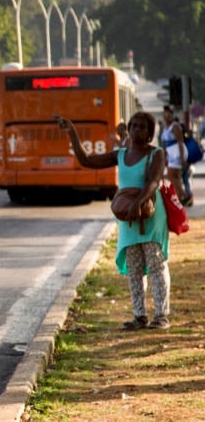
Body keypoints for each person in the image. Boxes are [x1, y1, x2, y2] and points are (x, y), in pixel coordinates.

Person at [58, 112, 171, 330]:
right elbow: (86, 160)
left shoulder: (156, 154)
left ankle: (161, 316)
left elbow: (154, 181)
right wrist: (72, 132)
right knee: (134, 268)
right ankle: (139, 316)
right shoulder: (121, 154)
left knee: (156, 265)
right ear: (128, 129)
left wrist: (137, 202)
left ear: (150, 133)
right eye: (134, 126)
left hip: (151, 217)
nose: (137, 130)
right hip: (128, 219)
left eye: (142, 127)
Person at [160, 106, 189, 205]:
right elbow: (164, 145)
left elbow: (180, 142)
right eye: (165, 115)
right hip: (170, 154)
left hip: (177, 152)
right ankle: (180, 197)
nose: (166, 117)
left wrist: (181, 157)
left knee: (170, 174)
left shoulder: (175, 126)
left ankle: (184, 195)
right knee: (175, 177)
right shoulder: (165, 128)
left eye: (169, 115)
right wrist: (164, 158)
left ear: (172, 116)